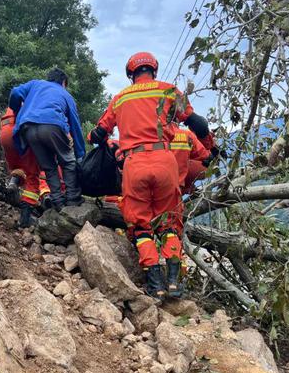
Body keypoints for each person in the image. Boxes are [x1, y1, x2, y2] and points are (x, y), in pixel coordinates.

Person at [89, 52, 208, 300]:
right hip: (165, 162)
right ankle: (174, 282)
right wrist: (212, 147)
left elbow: (99, 134)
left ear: (131, 75)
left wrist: (90, 139)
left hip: (135, 163)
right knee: (170, 224)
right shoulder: (169, 91)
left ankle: (155, 283)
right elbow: (198, 123)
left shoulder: (120, 98)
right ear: (153, 71)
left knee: (141, 226)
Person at [9, 68, 86, 211]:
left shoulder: (35, 84)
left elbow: (15, 92)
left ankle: (57, 202)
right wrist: (81, 153)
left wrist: (16, 110)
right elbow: (75, 125)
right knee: (68, 161)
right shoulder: (66, 95)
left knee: (49, 166)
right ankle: (72, 200)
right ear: (64, 83)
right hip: (53, 125)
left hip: (28, 127)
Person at [0, 107, 49, 227]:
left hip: (5, 134)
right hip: (21, 134)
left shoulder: (23, 93)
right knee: (32, 177)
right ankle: (25, 218)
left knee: (18, 168)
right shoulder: (42, 98)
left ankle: (12, 186)